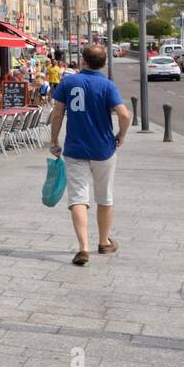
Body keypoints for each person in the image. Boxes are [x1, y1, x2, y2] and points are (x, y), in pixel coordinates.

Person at [49, 44, 131, 267]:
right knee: (104, 196)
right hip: (103, 149)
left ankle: (83, 248)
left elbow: (57, 113)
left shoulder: (68, 82)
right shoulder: (107, 85)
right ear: (104, 63)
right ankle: (104, 242)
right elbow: (124, 115)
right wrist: (120, 135)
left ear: (83, 61)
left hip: (75, 148)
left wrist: (54, 140)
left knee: (78, 198)